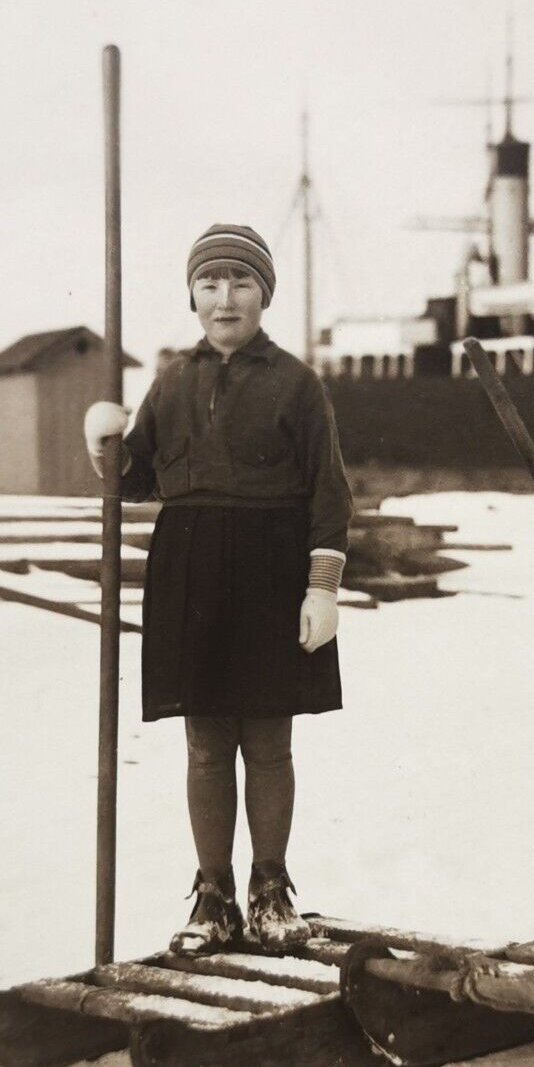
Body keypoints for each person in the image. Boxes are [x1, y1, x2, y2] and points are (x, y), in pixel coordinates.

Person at [83, 224, 352, 954]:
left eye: (240, 282)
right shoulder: (171, 380)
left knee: (267, 738)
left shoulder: (297, 383)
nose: (224, 297)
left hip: (271, 565)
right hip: (191, 567)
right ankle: (214, 898)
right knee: (206, 742)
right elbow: (135, 482)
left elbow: (330, 495)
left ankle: (270, 892)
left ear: (264, 294)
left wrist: (321, 588)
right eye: (210, 282)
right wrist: (105, 442)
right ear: (193, 295)